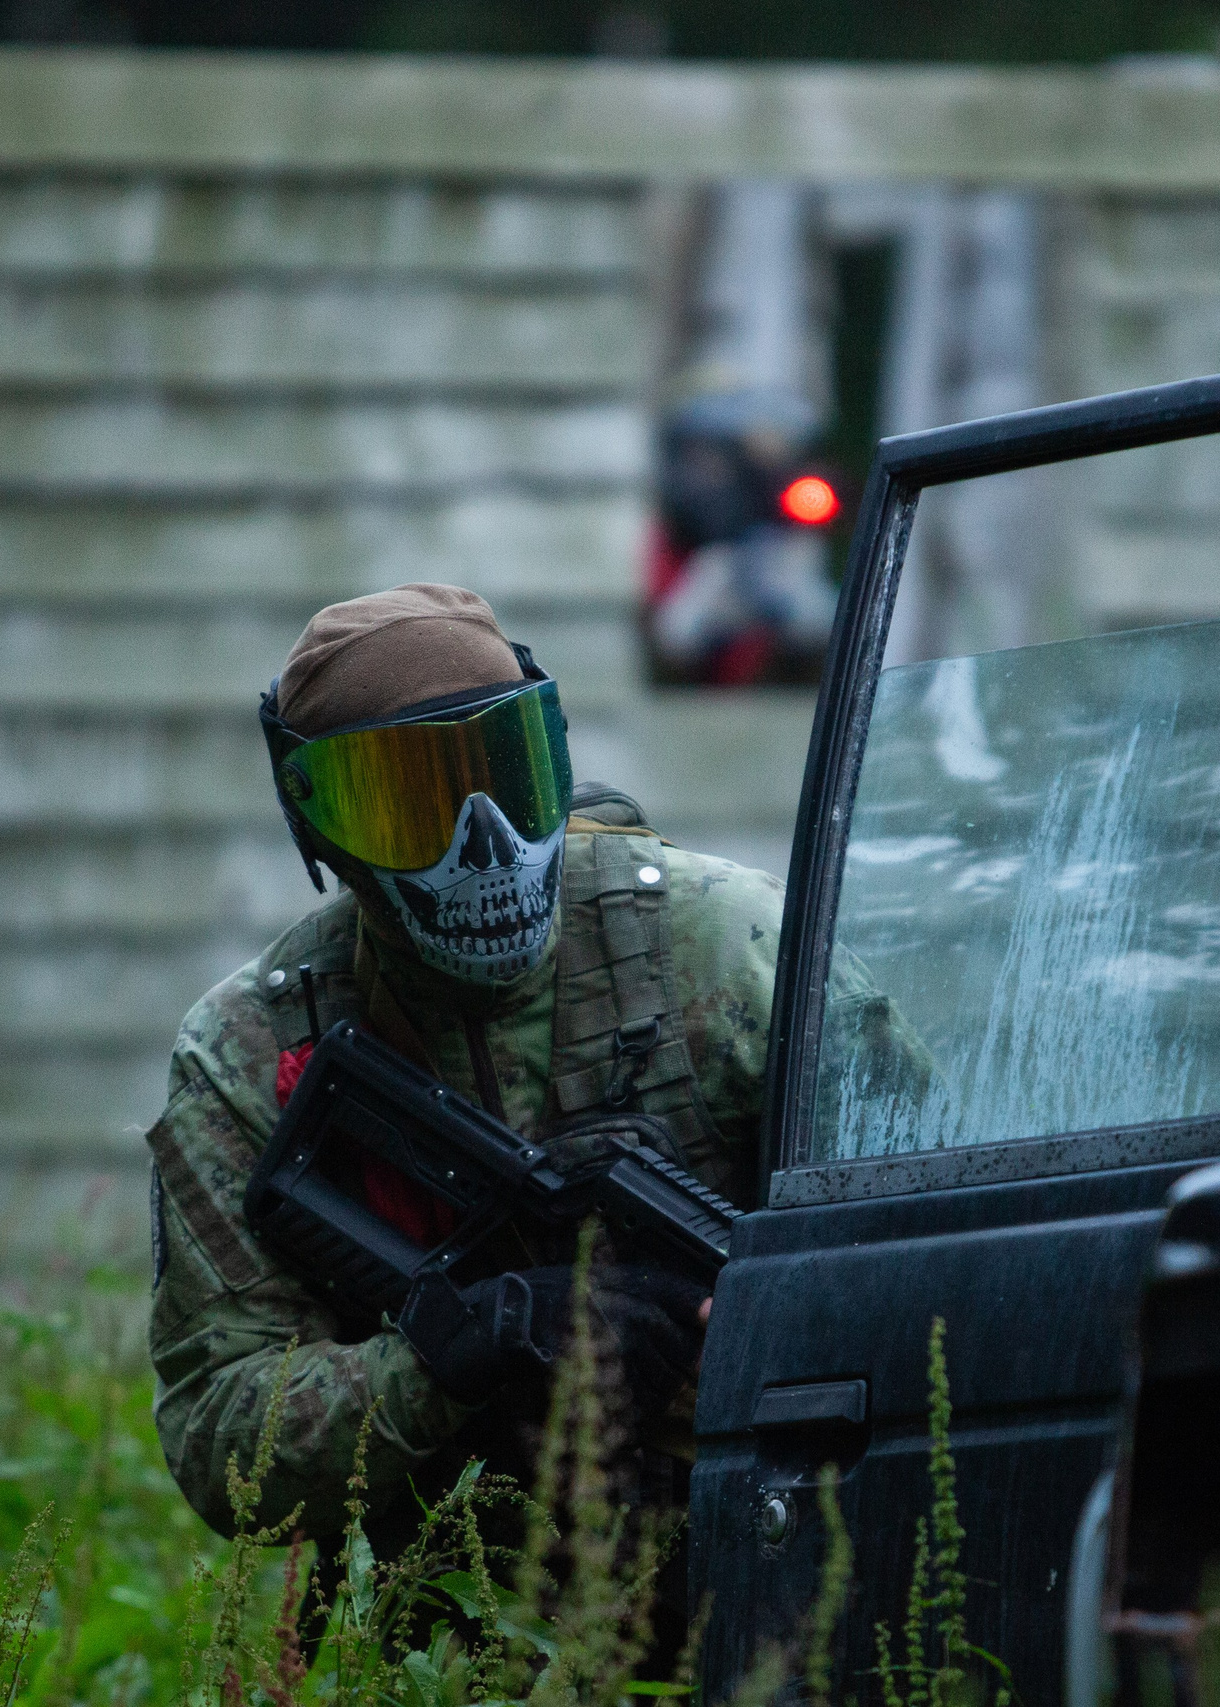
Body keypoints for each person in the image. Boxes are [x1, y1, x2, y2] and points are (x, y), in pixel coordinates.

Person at [144, 582, 922, 1553]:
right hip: (453, 1614)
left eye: (505, 773)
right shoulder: (255, 1053)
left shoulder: (730, 948)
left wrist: (766, 1330)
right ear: (323, 831)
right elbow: (223, 1439)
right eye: (408, 803)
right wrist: (464, 1350)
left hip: (773, 1551)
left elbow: (942, 1263)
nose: (483, 842)